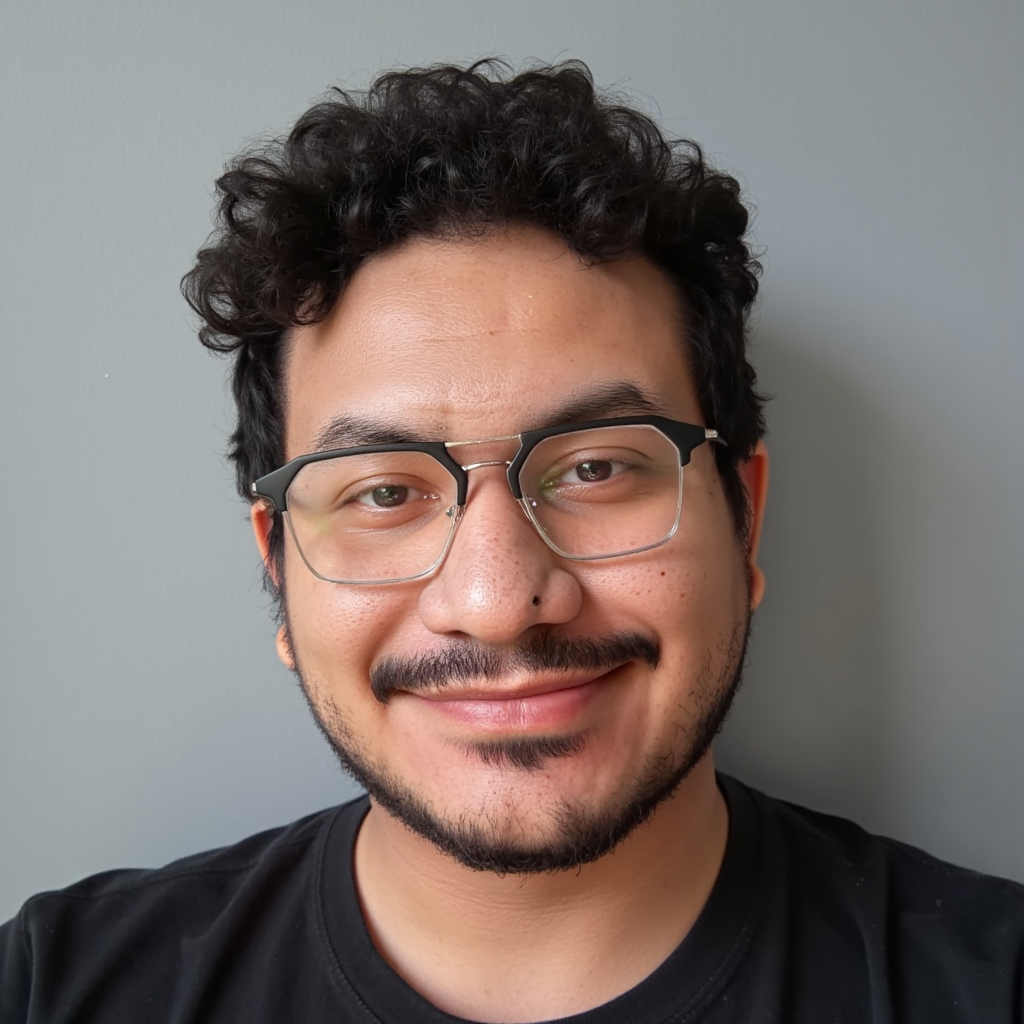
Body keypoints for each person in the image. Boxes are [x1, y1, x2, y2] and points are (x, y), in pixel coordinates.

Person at [1, 59, 1021, 1024]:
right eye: (384, 490)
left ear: (743, 513)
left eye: (595, 468)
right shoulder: (54, 988)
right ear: (277, 562)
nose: (495, 598)